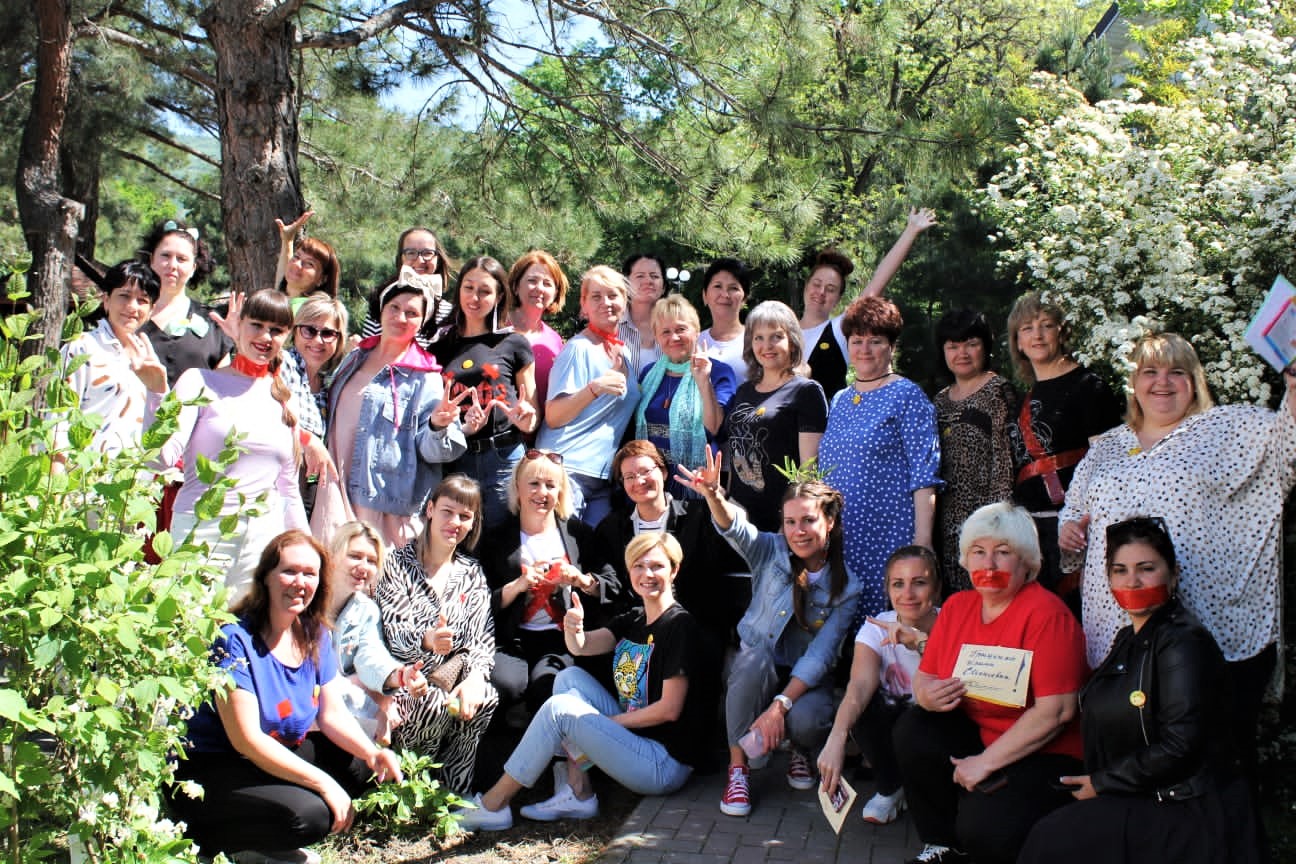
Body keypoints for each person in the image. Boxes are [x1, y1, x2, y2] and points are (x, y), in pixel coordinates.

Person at [1058, 332, 1296, 788]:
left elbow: (1288, 449)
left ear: (1195, 381)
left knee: (1206, 747)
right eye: (1150, 372)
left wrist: (1295, 383)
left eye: (1177, 372)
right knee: (1131, 733)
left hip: (1203, 618)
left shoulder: (1229, 427)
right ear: (1134, 384)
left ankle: (1215, 824)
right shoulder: (1108, 445)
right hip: (1118, 622)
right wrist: (1070, 531)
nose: (1163, 382)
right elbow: (1075, 508)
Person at [1019, 516, 1260, 864]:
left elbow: (1180, 746)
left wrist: (1102, 783)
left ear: (1173, 574)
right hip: (1137, 788)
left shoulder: (1182, 642)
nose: (1132, 581)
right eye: (1120, 570)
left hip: (1182, 806)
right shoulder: (1128, 639)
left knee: (1051, 839)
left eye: (1146, 569)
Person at [166, 531, 402, 862]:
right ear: (266, 576)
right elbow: (246, 740)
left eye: (310, 574)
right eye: (289, 571)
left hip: (266, 754)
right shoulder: (235, 639)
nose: (300, 583)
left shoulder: (313, 631)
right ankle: (217, 841)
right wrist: (323, 783)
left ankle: (262, 826)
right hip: (213, 768)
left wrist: (373, 754)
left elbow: (331, 714)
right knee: (310, 816)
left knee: (359, 765)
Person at [456, 532, 713, 831]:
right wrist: (573, 628)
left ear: (674, 570)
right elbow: (581, 647)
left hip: (664, 763)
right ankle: (579, 791)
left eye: (657, 566)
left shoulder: (679, 625)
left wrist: (602, 723)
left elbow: (668, 710)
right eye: (639, 566)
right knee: (568, 678)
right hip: (636, 740)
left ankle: (494, 804)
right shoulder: (635, 618)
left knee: (561, 710)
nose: (647, 574)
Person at [893, 501, 1087, 864]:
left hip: (1046, 752)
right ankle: (941, 846)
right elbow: (927, 674)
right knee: (915, 728)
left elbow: (1057, 712)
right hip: (983, 733)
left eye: (1003, 552)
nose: (989, 564)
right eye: (978, 552)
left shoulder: (1047, 614)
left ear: (1027, 562)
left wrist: (984, 763)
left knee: (983, 827)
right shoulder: (957, 607)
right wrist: (926, 694)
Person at [680, 448, 861, 818]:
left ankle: (798, 749)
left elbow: (821, 656)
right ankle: (738, 769)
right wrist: (714, 495)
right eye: (790, 521)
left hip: (803, 679)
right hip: (757, 667)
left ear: (829, 522)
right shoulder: (770, 551)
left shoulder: (848, 587)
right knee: (751, 660)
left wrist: (780, 707)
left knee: (807, 718)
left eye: (808, 520)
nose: (798, 531)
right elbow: (736, 529)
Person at [149, 289, 308, 604]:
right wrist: (155, 392)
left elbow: (289, 490)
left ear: (287, 336)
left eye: (276, 330)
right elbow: (161, 457)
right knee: (189, 626)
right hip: (201, 531)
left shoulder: (285, 400)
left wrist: (306, 551)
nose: (265, 337)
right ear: (239, 325)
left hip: (263, 539)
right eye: (257, 325)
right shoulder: (199, 382)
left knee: (245, 631)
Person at [310, 270, 467, 549]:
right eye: (394, 307)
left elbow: (436, 452)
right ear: (381, 310)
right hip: (332, 487)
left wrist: (438, 426)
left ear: (422, 322)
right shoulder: (354, 357)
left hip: (382, 504)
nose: (401, 317)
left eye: (412, 313)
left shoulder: (426, 377)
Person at [818, 296, 942, 629]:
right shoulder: (840, 400)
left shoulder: (907, 396)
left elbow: (924, 474)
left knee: (889, 631)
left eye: (875, 341)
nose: (865, 349)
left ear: (892, 346)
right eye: (857, 341)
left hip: (889, 538)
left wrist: (922, 542)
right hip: (844, 540)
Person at [375, 476, 498, 794]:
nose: (455, 522)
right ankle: (409, 788)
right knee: (432, 701)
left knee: (485, 696)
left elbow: (482, 638)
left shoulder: (471, 573)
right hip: (406, 680)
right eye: (447, 511)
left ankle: (453, 793)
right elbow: (393, 635)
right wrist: (426, 640)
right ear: (430, 510)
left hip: (453, 676)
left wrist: (476, 678)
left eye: (464, 516)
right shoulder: (397, 564)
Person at [480, 450, 623, 719]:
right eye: (533, 483)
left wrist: (582, 581)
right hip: (513, 639)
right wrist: (518, 585)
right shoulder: (496, 538)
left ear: (561, 492)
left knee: (548, 687)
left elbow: (613, 584)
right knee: (502, 685)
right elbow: (480, 601)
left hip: (561, 640)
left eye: (550, 485)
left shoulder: (578, 534)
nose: (542, 492)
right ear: (518, 488)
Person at [1006, 292, 1122, 600]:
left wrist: (1083, 525)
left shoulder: (1089, 388)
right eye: (1027, 328)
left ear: (1061, 332)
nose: (1037, 335)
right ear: (1018, 342)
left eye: (1046, 325)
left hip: (1077, 532)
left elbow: (1108, 468)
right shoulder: (1024, 399)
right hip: (1033, 533)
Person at [816, 546, 941, 826]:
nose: (907, 594)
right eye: (898, 584)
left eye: (919, 583)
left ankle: (928, 793)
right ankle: (891, 787)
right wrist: (837, 738)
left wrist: (920, 644)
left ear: (936, 588)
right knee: (863, 708)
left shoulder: (953, 623)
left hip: (938, 725)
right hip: (895, 723)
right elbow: (860, 685)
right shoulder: (876, 627)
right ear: (887, 588)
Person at [595, 439, 750, 646]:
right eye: (629, 476)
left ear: (664, 472)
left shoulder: (697, 514)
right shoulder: (612, 528)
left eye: (645, 471)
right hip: (638, 637)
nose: (639, 481)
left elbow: (738, 526)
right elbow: (613, 584)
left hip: (696, 631)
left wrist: (715, 496)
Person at [430, 256, 538, 528]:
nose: (474, 297)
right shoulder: (440, 347)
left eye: (485, 291)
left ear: (499, 296)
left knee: (504, 540)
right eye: (468, 288)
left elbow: (532, 412)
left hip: (504, 455)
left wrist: (526, 419)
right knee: (460, 539)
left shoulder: (514, 343)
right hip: (457, 457)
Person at [535, 265, 640, 526]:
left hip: (601, 477)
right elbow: (554, 416)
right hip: (567, 470)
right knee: (563, 547)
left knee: (594, 549)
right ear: (584, 305)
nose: (606, 303)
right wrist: (594, 389)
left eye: (613, 295)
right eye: (596, 296)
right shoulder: (578, 349)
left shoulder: (624, 352)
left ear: (625, 302)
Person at [799, 208, 938, 396]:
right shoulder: (781, 331)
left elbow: (878, 281)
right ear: (806, 285)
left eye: (830, 289)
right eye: (817, 284)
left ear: (838, 298)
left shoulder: (839, 330)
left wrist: (910, 231)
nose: (821, 292)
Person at [722, 300, 829, 532]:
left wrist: (792, 525)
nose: (766, 346)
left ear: (792, 341)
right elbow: (736, 448)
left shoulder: (806, 391)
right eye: (758, 337)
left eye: (776, 337)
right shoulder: (744, 391)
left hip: (780, 520)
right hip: (738, 516)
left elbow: (809, 469)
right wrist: (727, 499)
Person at [931, 309, 1018, 592]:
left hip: (986, 518)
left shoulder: (998, 391)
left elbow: (1005, 458)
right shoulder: (939, 401)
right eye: (953, 346)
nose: (962, 353)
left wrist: (997, 517)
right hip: (945, 521)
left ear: (985, 346)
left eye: (971, 344)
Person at [53, 260, 168, 458]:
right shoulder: (82, 347)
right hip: (84, 472)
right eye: (124, 296)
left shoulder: (149, 356)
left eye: (142, 300)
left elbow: (162, 425)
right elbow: (58, 421)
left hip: (133, 474)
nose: (132, 307)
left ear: (151, 310)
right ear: (106, 300)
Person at [327, 521, 428, 745]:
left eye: (371, 561)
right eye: (354, 556)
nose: (363, 567)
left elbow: (370, 655)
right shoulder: (307, 598)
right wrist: (373, 711)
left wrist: (400, 675)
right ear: (333, 556)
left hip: (339, 710)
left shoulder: (366, 609)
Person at [634, 294, 736, 491]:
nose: (674, 337)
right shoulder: (648, 374)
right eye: (665, 332)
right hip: (651, 483)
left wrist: (704, 381)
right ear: (656, 336)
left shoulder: (718, 372)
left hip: (695, 481)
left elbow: (715, 428)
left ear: (696, 331)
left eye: (681, 329)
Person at [137, 219, 233, 386]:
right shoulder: (129, 314)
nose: (172, 265)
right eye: (166, 255)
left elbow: (225, 385)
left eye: (181, 259)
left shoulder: (213, 323)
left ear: (193, 267)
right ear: (151, 259)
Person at [505, 250, 568, 431]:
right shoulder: (497, 329)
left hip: (538, 436)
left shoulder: (554, 341)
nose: (539, 288)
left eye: (547, 283)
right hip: (499, 436)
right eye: (532, 281)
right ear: (516, 286)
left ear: (556, 292)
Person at [359, 227, 454, 344]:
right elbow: (370, 349)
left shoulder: (449, 313)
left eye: (427, 253)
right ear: (400, 259)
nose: (420, 260)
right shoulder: (381, 302)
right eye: (411, 253)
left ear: (438, 259)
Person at [697, 258, 750, 386]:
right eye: (717, 286)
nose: (725, 294)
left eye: (733, 288)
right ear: (705, 295)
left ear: (744, 299)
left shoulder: (755, 340)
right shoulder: (695, 342)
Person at [273, 210, 341, 307]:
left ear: (322, 279)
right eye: (296, 257)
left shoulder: (313, 311)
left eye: (309, 263)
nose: (297, 264)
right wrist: (287, 240)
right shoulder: (282, 303)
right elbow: (283, 278)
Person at [620, 252, 667, 372]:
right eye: (640, 276)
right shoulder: (613, 325)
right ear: (626, 284)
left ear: (664, 287)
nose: (648, 281)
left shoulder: (676, 326)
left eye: (654, 276)